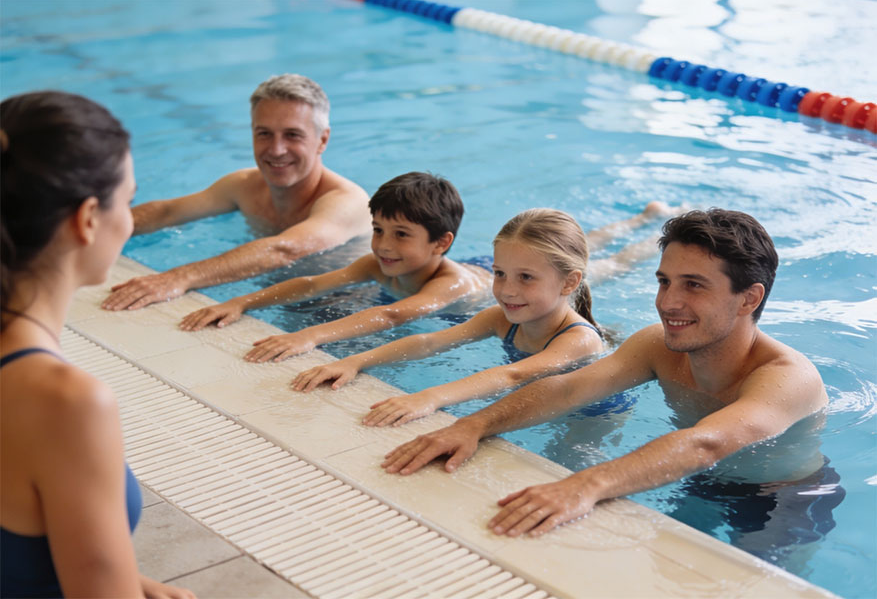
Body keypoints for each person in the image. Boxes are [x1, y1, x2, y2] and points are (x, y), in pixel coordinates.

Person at [381, 209, 833, 543]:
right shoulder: (657, 343)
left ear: (749, 298)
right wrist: (474, 424)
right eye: (663, 281)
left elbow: (706, 442)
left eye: (693, 285)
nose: (668, 302)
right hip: (695, 472)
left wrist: (586, 484)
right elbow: (570, 387)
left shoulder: (786, 377)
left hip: (780, 499)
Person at [1, 92, 194, 597]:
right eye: (127, 201)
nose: (128, 219)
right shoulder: (66, 402)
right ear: (87, 219)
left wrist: (124, 579)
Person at [291, 208, 613, 427]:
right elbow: (431, 341)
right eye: (500, 273)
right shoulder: (501, 318)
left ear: (569, 283)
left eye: (526, 277)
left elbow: (513, 376)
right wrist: (356, 361)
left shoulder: (579, 340)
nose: (507, 291)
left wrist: (431, 397)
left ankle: (637, 227)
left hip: (593, 413)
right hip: (540, 397)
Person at [102, 73, 370, 311]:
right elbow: (167, 212)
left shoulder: (347, 201)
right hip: (279, 298)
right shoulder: (243, 185)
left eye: (292, 135)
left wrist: (179, 277)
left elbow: (285, 250)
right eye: (264, 133)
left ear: (322, 140)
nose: (276, 150)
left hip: (348, 308)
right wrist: (95, 229)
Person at [179, 172, 492, 360]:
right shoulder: (378, 264)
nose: (384, 245)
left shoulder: (454, 284)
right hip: (413, 283)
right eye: (378, 229)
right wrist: (241, 302)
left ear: (441, 242)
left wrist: (311, 336)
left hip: (480, 285)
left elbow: (391, 314)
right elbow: (313, 284)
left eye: (401, 235)